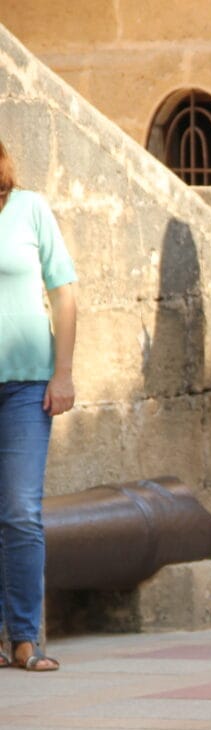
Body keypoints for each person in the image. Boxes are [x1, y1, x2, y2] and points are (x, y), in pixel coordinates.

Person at [0, 138, 77, 671]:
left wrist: (64, 372)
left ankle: (25, 638)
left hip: (27, 386)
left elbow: (65, 291)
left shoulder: (30, 209)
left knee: (21, 512)